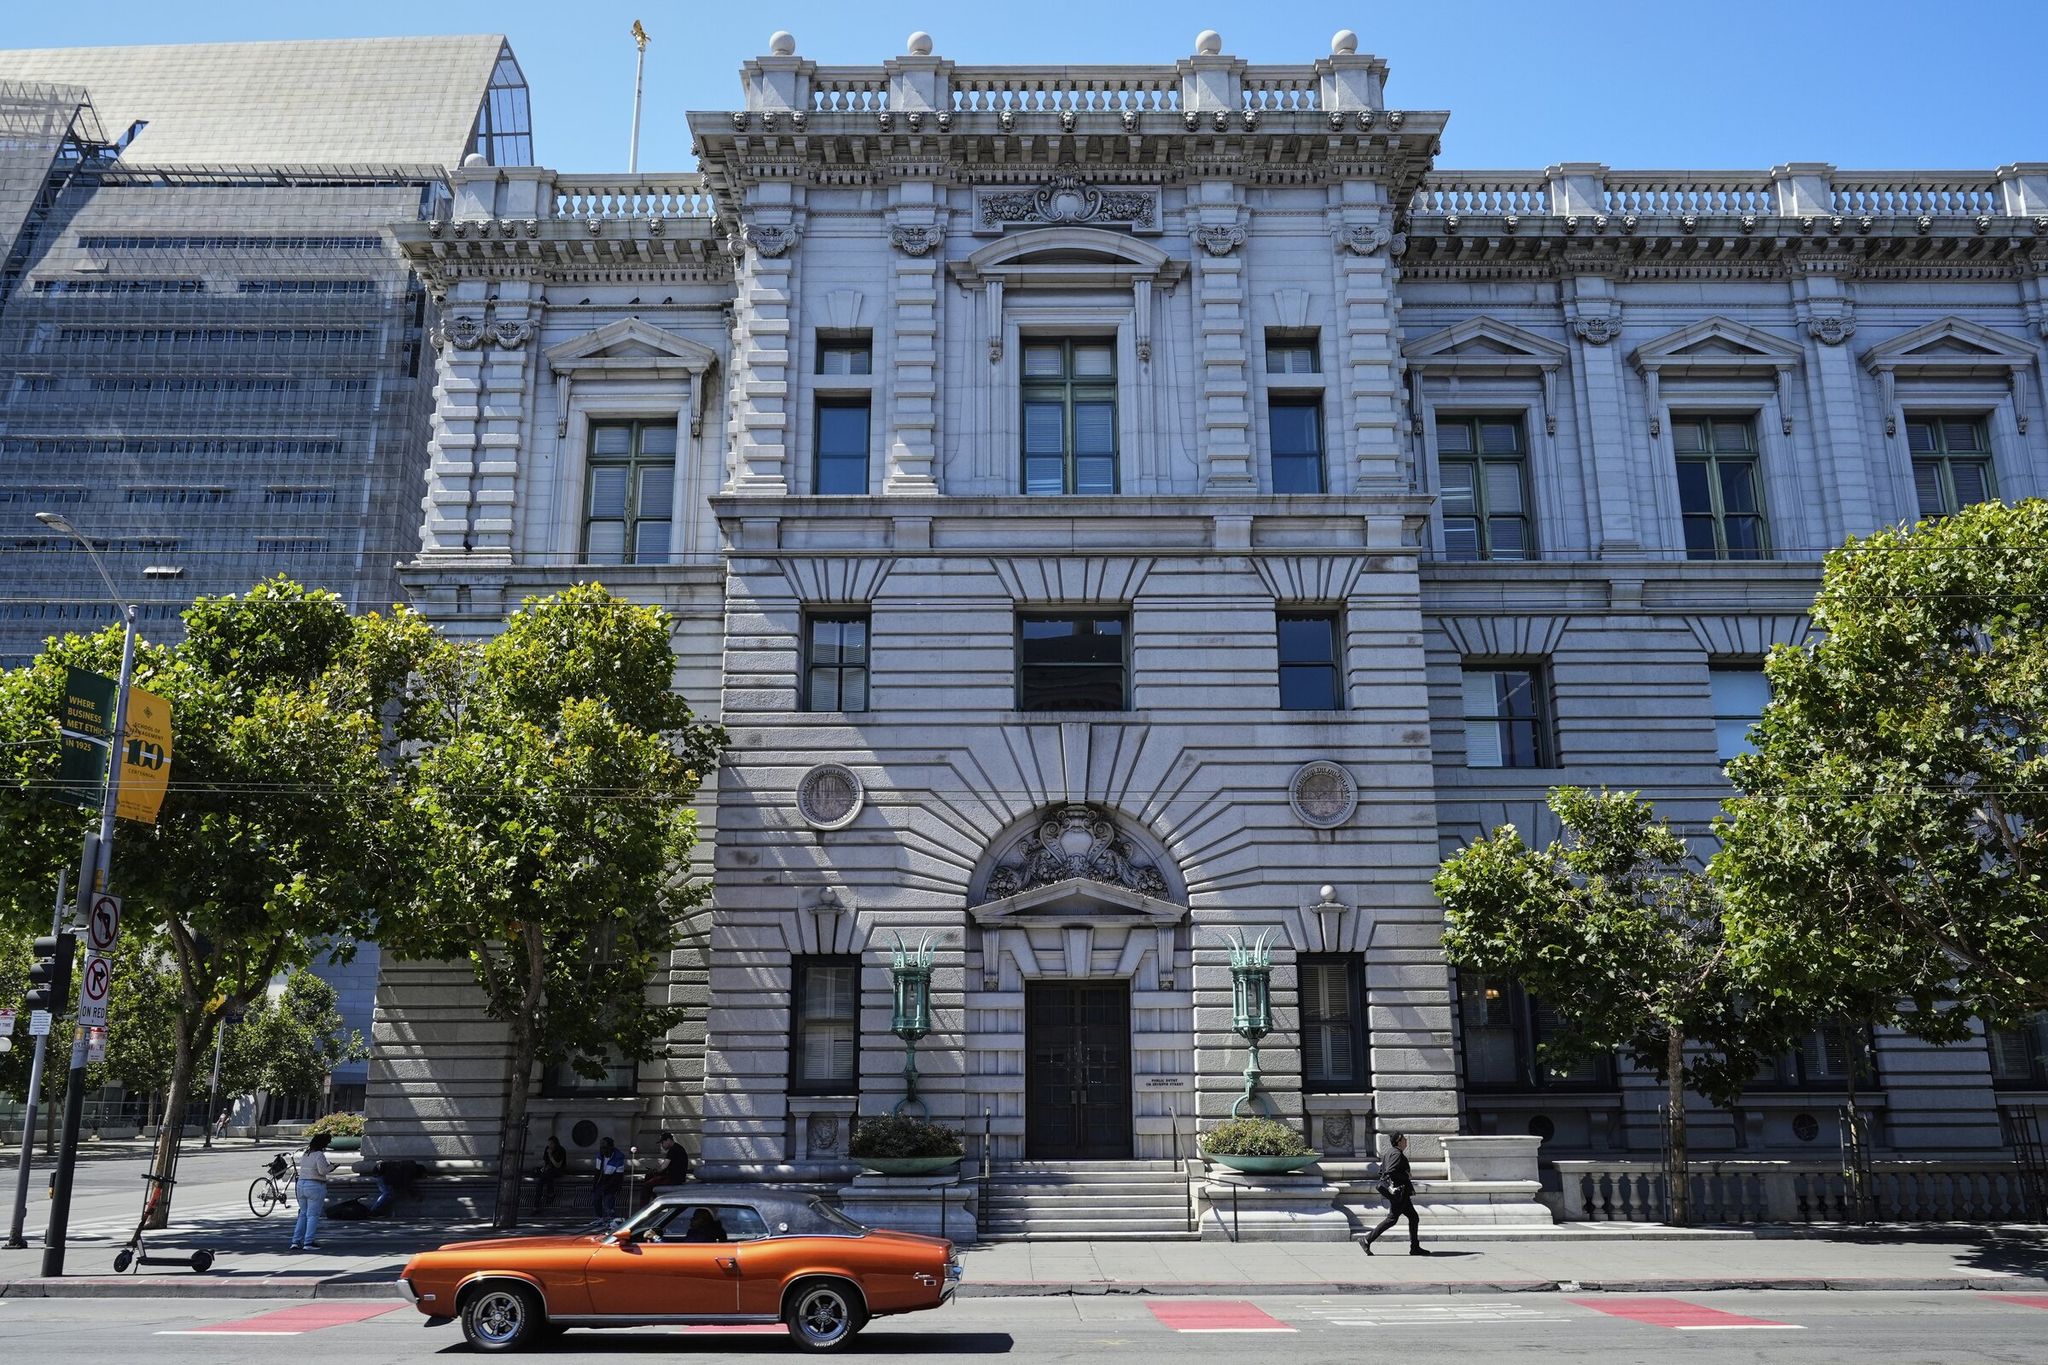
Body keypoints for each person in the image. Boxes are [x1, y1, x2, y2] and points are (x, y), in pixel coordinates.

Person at [1364, 1131, 1428, 1256]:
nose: (1406, 1140)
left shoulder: (1389, 1152)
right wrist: (1406, 1175)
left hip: (1399, 1193)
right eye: (1404, 1138)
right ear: (1399, 1141)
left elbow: (1381, 1171)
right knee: (1392, 1219)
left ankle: (1415, 1247)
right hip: (1399, 1193)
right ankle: (1366, 1239)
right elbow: (1390, 1171)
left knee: (1413, 1217)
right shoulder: (1396, 1154)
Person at [288, 1131, 336, 1251]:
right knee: (313, 1215)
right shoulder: (319, 1155)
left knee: (302, 1214)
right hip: (315, 1185)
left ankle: (295, 1241)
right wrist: (332, 1167)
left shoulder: (306, 1153)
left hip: (301, 1184)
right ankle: (308, 1242)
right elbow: (322, 1171)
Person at [647, 1132, 691, 1196]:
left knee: (647, 1185)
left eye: (663, 1143)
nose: (662, 1145)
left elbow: (663, 1167)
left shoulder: (673, 1150)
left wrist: (655, 1170)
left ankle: (646, 1205)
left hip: (673, 1179)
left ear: (668, 1140)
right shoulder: (678, 1148)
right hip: (677, 1178)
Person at [593, 1137, 626, 1221]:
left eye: (605, 1148)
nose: (602, 1150)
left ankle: (611, 1218)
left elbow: (618, 1176)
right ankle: (599, 1218)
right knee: (596, 1198)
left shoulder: (619, 1158)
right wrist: (595, 1185)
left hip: (613, 1180)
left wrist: (607, 1187)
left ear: (611, 1148)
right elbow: (597, 1172)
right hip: (602, 1179)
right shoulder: (600, 1156)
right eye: (601, 1148)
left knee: (608, 1200)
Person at [535, 1137, 568, 1209]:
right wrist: (544, 1168)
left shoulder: (561, 1150)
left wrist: (550, 1156)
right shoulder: (547, 1149)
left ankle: (550, 1194)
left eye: (551, 1144)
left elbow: (558, 1165)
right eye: (549, 1143)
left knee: (548, 1174)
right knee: (540, 1181)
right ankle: (538, 1203)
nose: (549, 1145)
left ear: (555, 1144)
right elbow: (546, 1162)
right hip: (548, 1171)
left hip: (558, 1170)